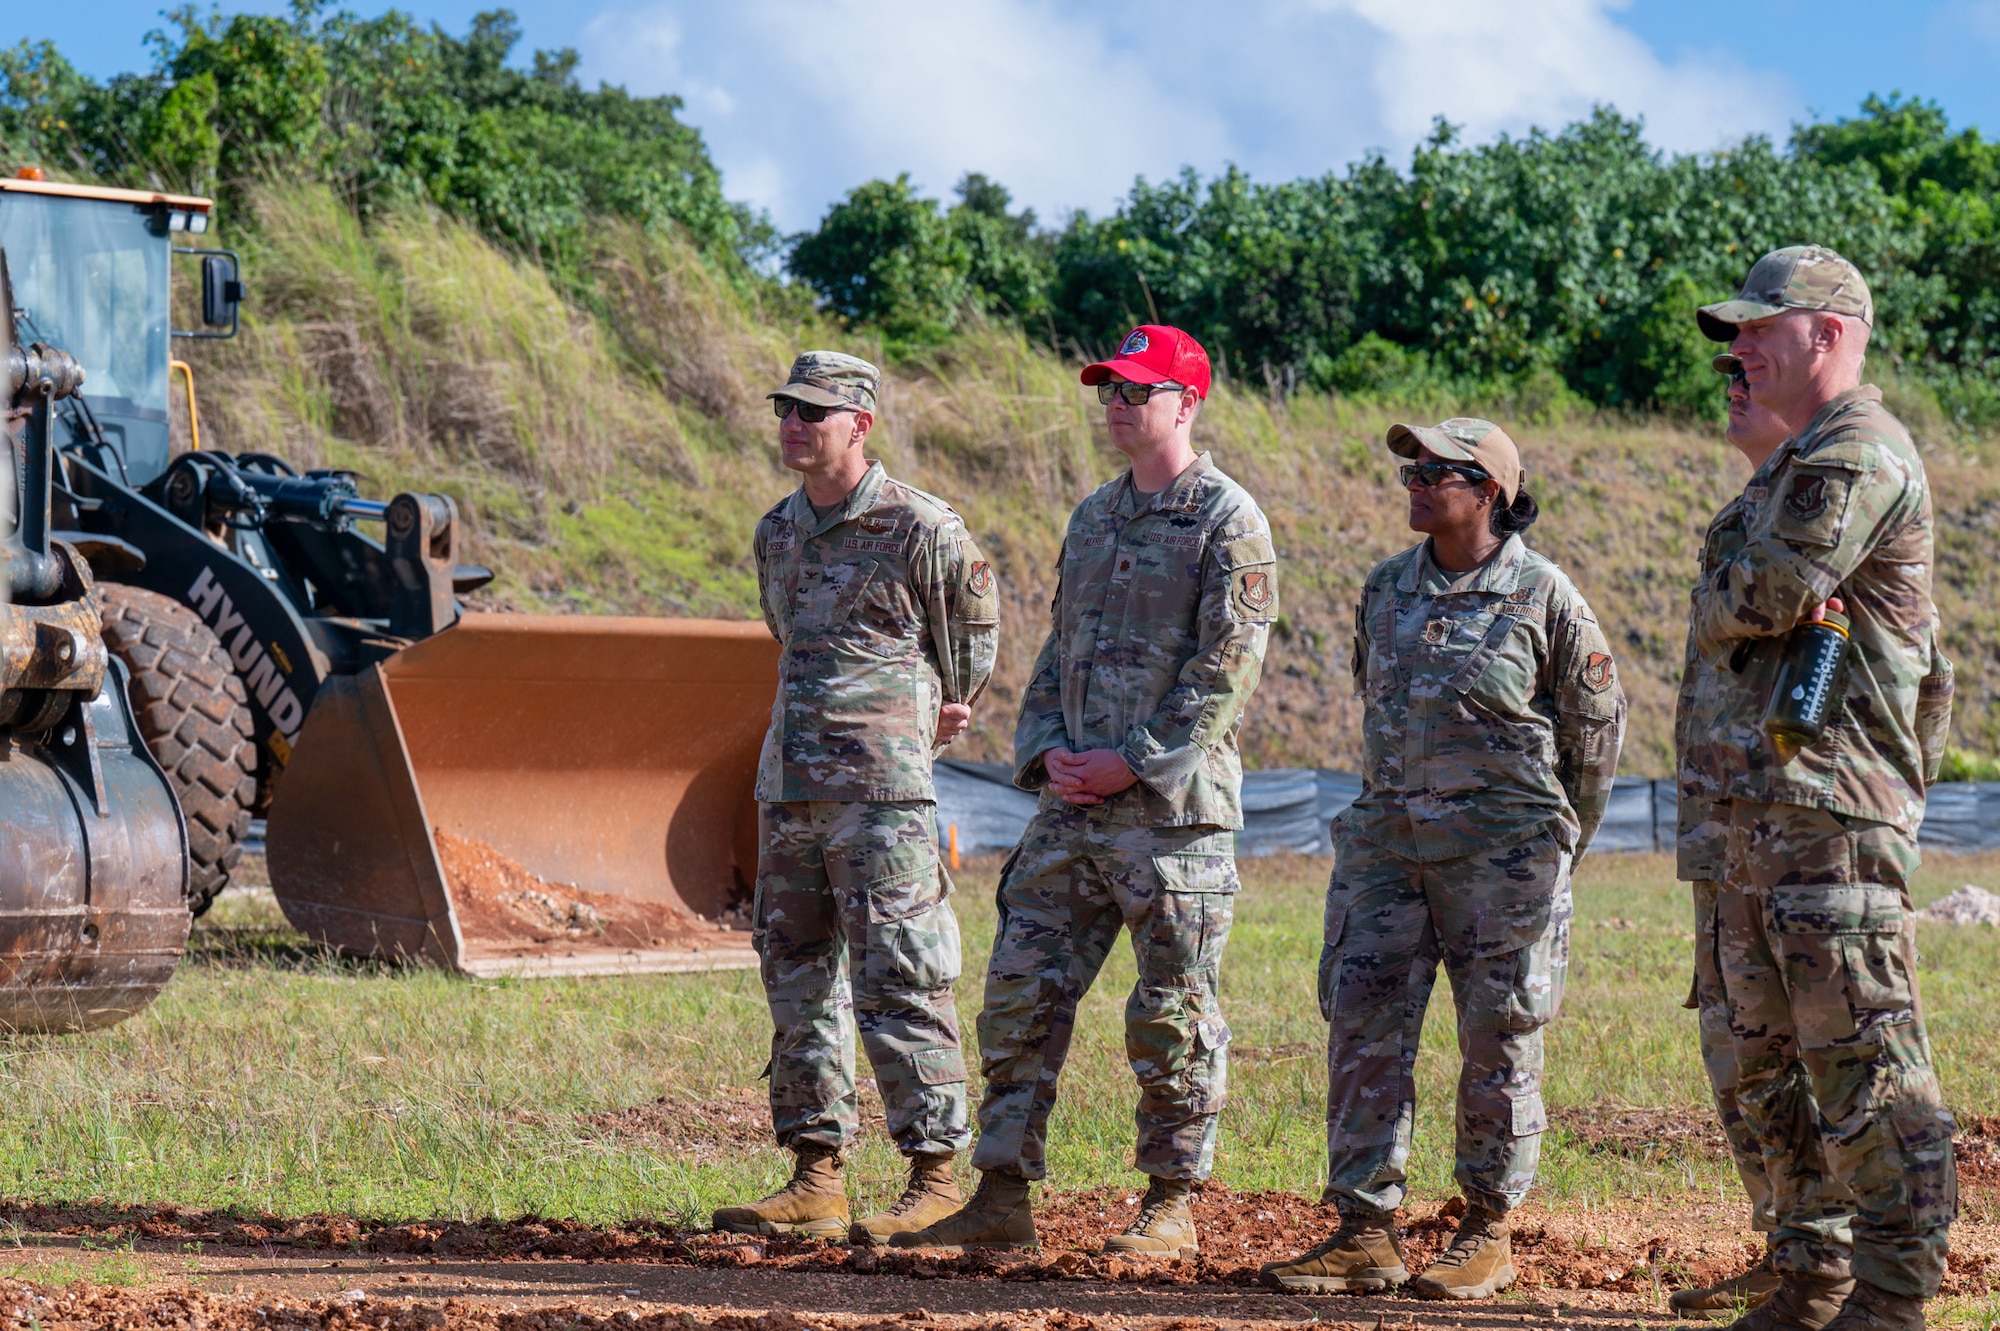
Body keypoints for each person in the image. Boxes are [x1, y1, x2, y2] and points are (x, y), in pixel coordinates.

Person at [893, 324, 1277, 1258]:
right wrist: (1048, 753)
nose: (1117, 403)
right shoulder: (1093, 517)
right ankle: (1000, 1196)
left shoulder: (1230, 520)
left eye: (1137, 390)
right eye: (1109, 388)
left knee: (1172, 1014)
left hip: (1170, 821)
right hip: (1071, 809)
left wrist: (1134, 760)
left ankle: (1170, 1203)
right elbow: (1058, 653)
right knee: (1020, 996)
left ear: (1188, 403)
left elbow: (1226, 670)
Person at [1261, 418, 1625, 1300]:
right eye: (1410, 470)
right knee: (1363, 1026)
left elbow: (1598, 731)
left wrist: (1553, 839)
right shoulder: (1385, 588)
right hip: (1388, 852)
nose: (1415, 483)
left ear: (1490, 489)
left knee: (1498, 1037)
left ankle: (1487, 1229)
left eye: (1437, 472)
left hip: (1503, 860)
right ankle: (1364, 1230)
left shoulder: (1544, 596)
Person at [1681, 246, 1957, 1331]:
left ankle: (1889, 1299)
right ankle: (1809, 1275)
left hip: (1825, 816)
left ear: (1829, 335)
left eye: (1759, 324)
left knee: (1860, 1057)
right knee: (1762, 1066)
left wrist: (1720, 580)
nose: (1738, 344)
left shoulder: (1857, 453)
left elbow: (1759, 594)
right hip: (1754, 818)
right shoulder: (1793, 464)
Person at [712, 351, 999, 1246]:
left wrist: (933, 710)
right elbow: (782, 630)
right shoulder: (776, 532)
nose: (794, 423)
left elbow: (974, 636)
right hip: (789, 787)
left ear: (859, 424)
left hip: (881, 794)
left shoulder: (920, 526)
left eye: (814, 411)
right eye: (785, 409)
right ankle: (817, 1173)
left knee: (901, 975)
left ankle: (938, 1175)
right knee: (796, 975)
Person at [1669, 355, 1843, 1319]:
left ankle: (1828, 1255)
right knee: (1737, 1047)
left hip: (1790, 824)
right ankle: (1789, 1242)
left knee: (1803, 1044)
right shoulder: (1747, 511)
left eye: (1750, 368)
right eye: (1723, 372)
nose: (1731, 381)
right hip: (1721, 825)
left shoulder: (1832, 509)